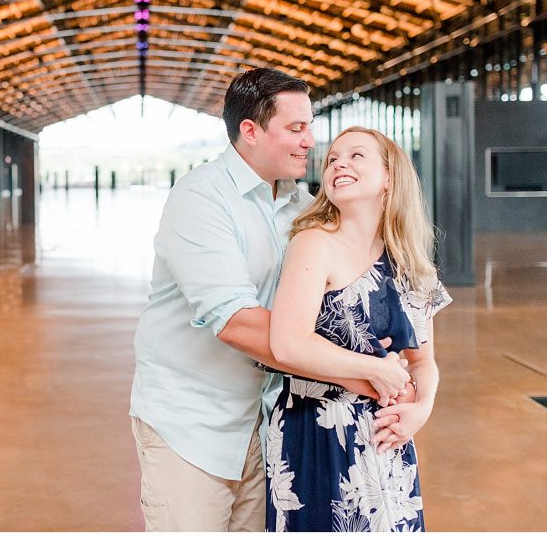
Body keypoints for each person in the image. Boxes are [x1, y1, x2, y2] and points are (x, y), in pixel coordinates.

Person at [129, 69, 406, 531]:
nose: (310, 142)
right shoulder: (201, 199)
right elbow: (235, 322)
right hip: (193, 424)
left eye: (310, 127)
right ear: (250, 132)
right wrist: (364, 374)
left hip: (271, 426)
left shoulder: (304, 209)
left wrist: (404, 378)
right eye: (296, 129)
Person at [266, 126, 453, 532]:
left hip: (388, 438)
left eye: (355, 156)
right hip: (317, 431)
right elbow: (287, 343)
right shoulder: (314, 242)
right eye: (332, 158)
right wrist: (375, 369)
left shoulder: (410, 262)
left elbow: (424, 363)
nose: (339, 164)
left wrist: (421, 410)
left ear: (389, 178)